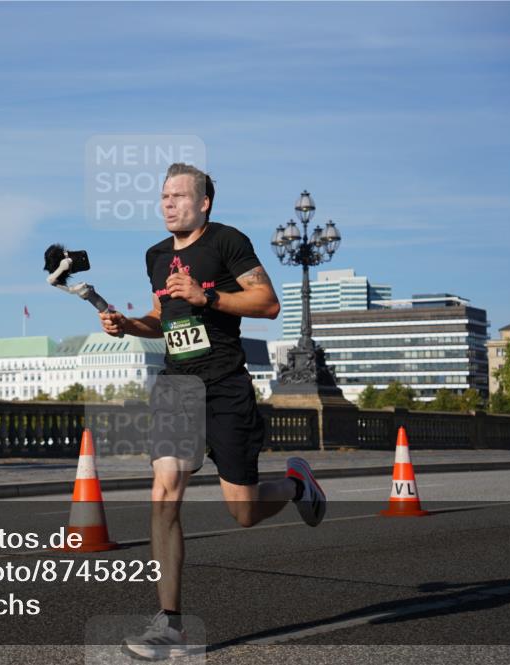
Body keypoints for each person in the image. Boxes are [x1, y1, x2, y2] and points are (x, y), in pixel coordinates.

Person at [99, 163, 326, 660]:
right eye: (164, 196)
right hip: (176, 386)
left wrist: (209, 296)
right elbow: (161, 318)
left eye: (179, 196)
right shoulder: (156, 256)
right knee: (164, 494)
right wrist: (127, 325)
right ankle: (171, 625)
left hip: (225, 385)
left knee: (243, 511)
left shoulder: (227, 242)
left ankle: (295, 485)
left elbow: (268, 303)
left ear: (203, 203)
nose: (168, 204)